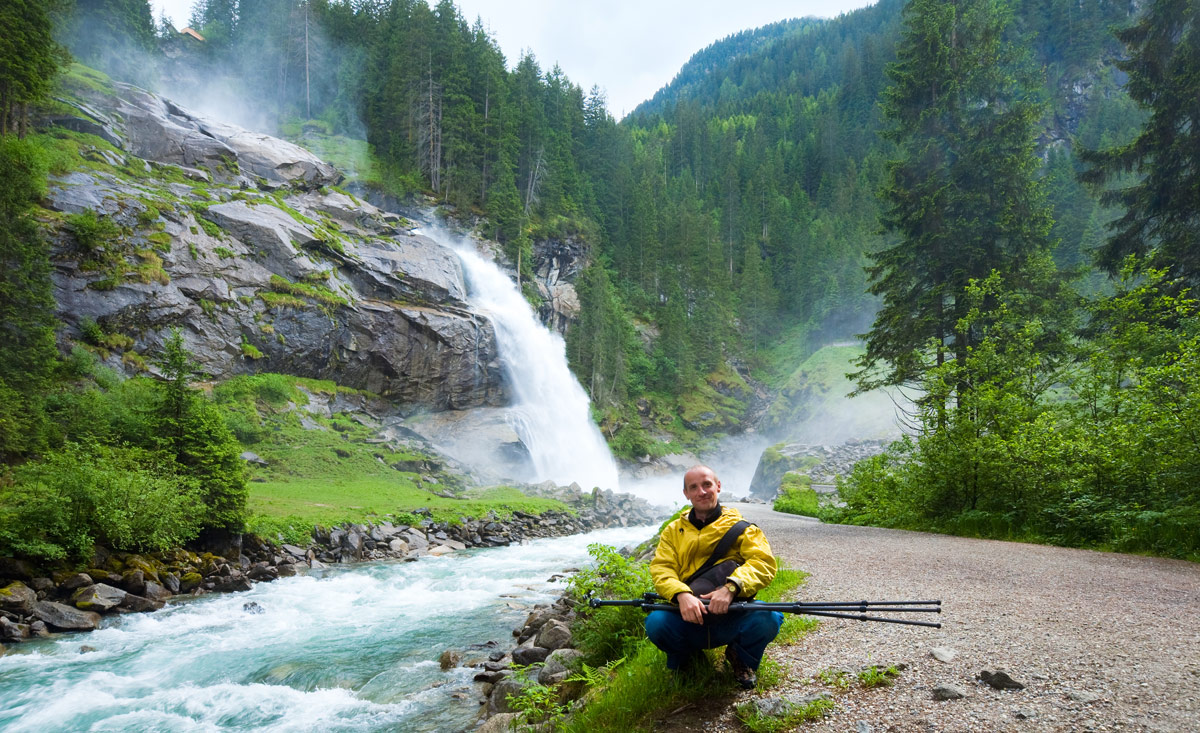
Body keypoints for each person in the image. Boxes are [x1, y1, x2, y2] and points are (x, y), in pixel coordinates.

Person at [645, 465, 783, 688]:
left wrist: (731, 588)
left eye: (707, 484)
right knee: (656, 622)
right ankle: (686, 661)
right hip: (688, 615)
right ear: (686, 494)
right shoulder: (672, 531)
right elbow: (662, 568)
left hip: (731, 613)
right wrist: (681, 595)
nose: (702, 492)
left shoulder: (744, 529)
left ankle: (740, 657)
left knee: (769, 617)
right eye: (694, 487)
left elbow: (763, 562)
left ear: (718, 486)